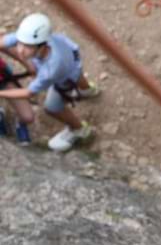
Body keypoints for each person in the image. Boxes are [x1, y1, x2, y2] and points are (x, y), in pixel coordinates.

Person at [0, 13, 99, 151]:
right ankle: (88, 90)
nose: (20, 50)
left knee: (52, 108)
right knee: (77, 74)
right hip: (71, 56)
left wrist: (1, 93)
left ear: (42, 46)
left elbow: (28, 92)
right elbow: (5, 41)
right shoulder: (32, 37)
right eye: (20, 44)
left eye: (27, 47)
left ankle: (80, 130)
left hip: (64, 75)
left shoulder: (50, 70)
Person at [0, 50, 35, 145]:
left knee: (28, 117)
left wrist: (28, 65)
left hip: (3, 77)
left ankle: (20, 123)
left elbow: (6, 46)